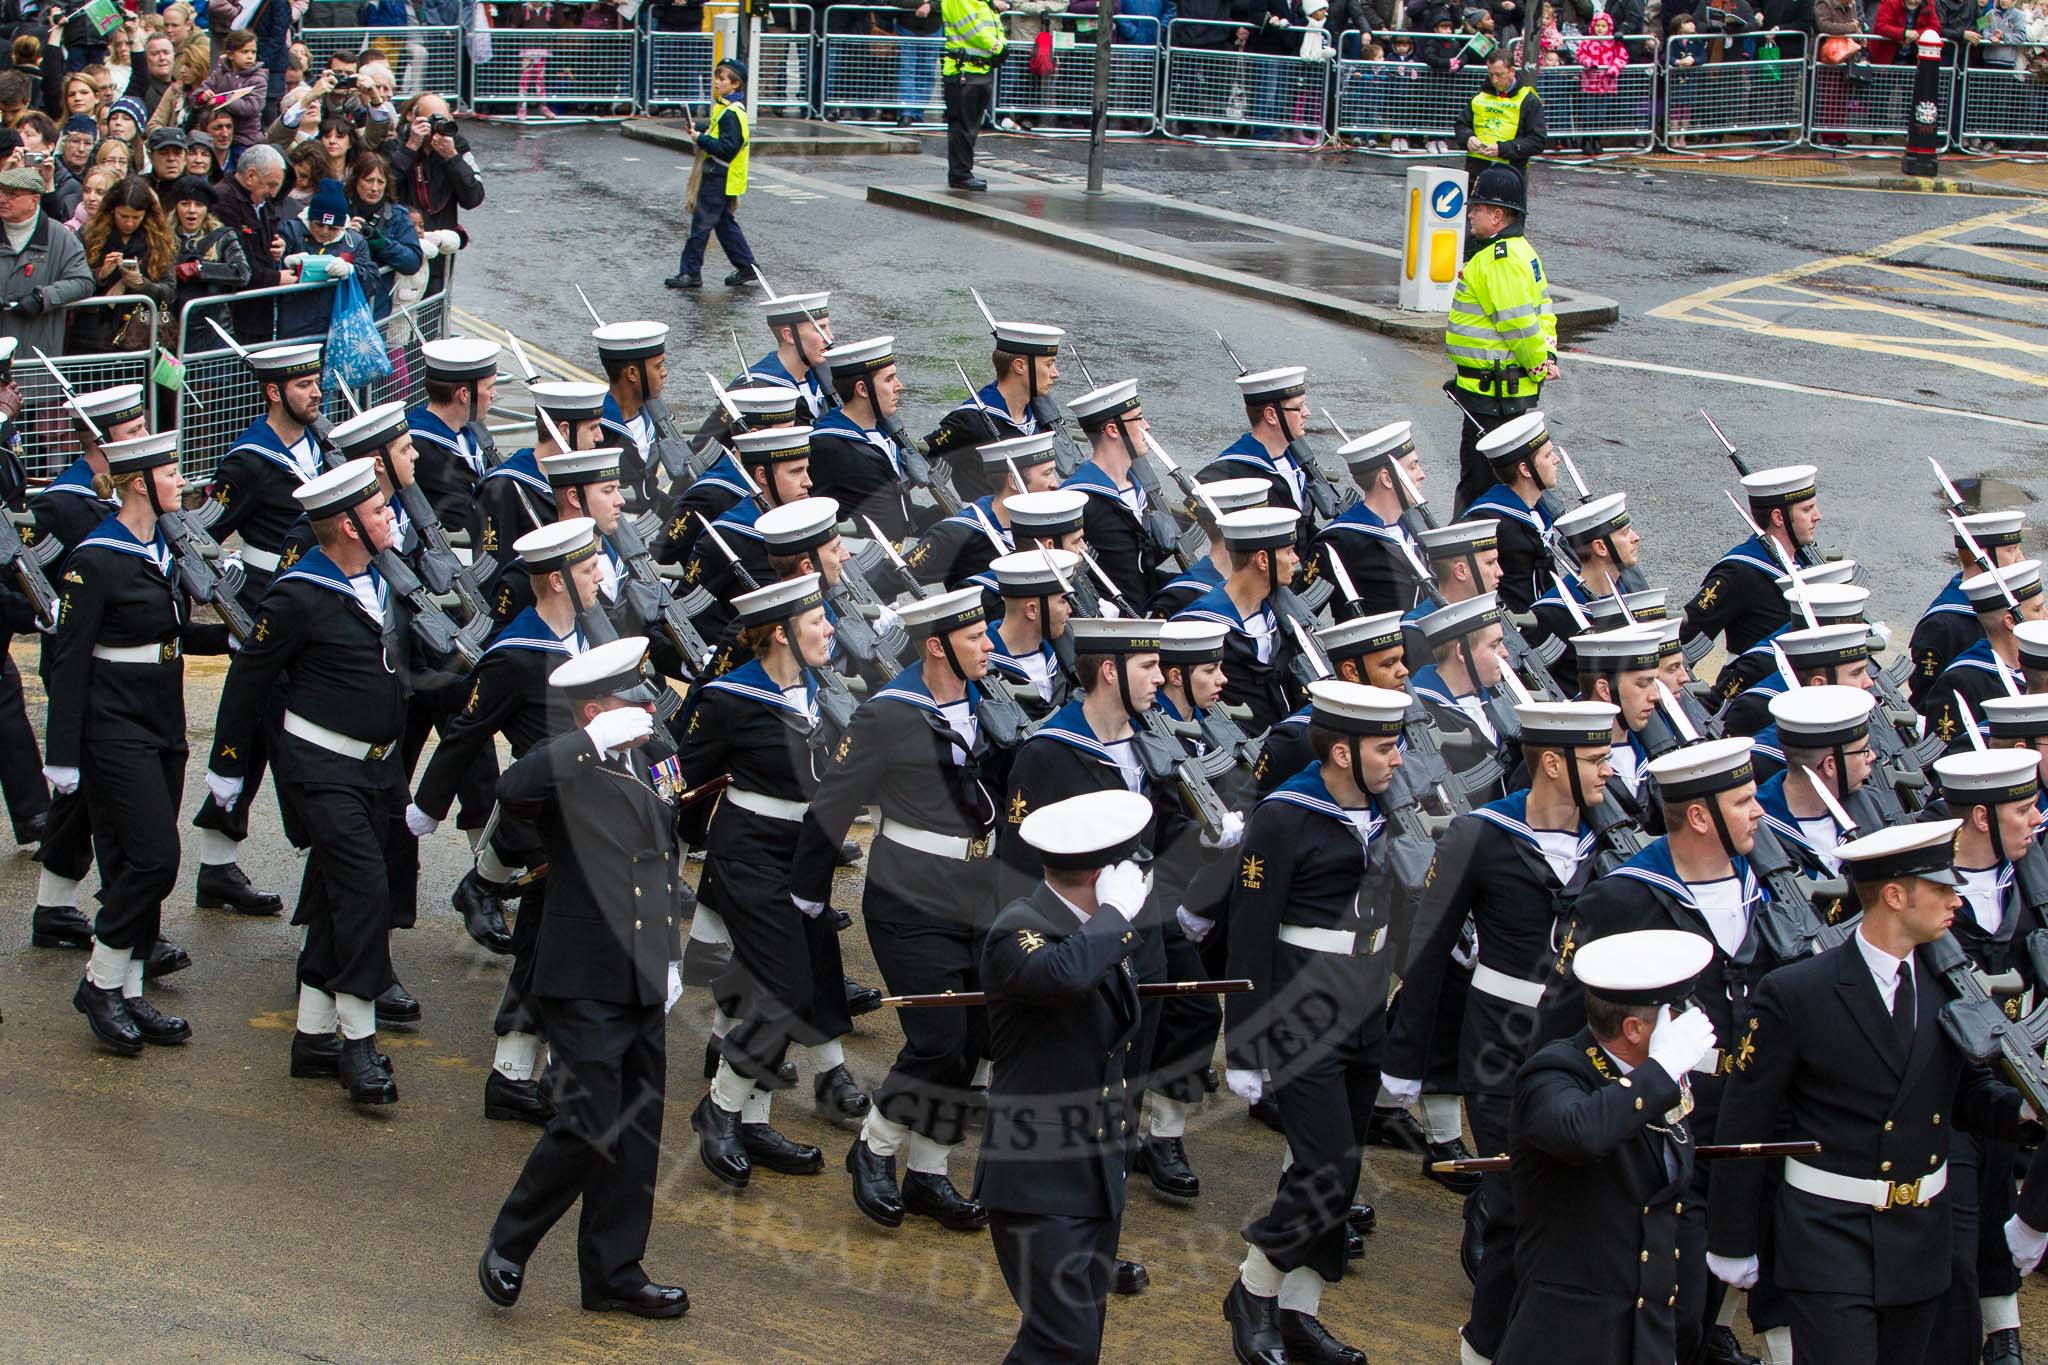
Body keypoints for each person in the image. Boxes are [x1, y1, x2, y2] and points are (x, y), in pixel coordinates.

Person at [1707, 820, 2030, 1365]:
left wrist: (2023, 1110)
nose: (1957, 899)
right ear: (1895, 895)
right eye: (1941, 888)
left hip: (1921, 1234)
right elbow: (1747, 1119)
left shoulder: (1948, 984)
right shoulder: (1797, 991)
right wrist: (1733, 1237)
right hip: (1829, 1233)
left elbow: (1965, 1092)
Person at [1383, 700, 1620, 1363]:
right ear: (1552, 763)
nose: (1608, 771)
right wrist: (1407, 1059)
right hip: (1499, 1045)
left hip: (1583, 1047)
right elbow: (1428, 953)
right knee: (1522, 1201)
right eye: (1596, 760)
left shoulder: (1617, 836)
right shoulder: (1479, 833)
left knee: (1563, 1206)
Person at [476, 636, 691, 1323]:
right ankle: (509, 1241)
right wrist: (590, 740)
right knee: (590, 1120)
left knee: (636, 1133)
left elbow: (665, 852)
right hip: (582, 972)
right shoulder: (569, 763)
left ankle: (614, 1272)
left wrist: (670, 955)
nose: (647, 709)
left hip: (641, 970)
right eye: (632, 701)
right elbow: (513, 788)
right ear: (595, 709)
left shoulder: (654, 757)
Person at [791, 584, 1004, 1234]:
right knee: (937, 1037)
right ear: (937, 645)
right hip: (909, 898)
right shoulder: (888, 713)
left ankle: (930, 1174)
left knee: (972, 1038)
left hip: (979, 893)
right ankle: (874, 1148)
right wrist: (807, 897)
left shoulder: (987, 699)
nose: (989, 645)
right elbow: (833, 804)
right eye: (975, 637)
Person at [206, 458, 414, 1106]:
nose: (391, 517)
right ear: (349, 526)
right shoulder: (298, 593)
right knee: (364, 891)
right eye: (380, 511)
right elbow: (249, 681)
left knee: (334, 894)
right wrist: (227, 765)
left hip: (378, 767)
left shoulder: (385, 578)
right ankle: (358, 1042)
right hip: (320, 768)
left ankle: (313, 1036)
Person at [1221, 679, 1407, 1365]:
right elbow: (1250, 934)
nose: (1398, 760)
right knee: (1325, 1164)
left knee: (1340, 1167)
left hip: (1364, 1004)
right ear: (1339, 750)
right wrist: (1244, 1043)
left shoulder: (1391, 809)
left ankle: (1300, 1313)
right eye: (1386, 747)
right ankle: (1254, 1290)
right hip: (1299, 1009)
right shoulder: (1284, 817)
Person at [681, 570, 872, 1190]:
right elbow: (680, 775)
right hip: (750, 853)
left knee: (802, 980)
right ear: (784, 634)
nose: (830, 629)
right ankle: (722, 1108)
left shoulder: (823, 689)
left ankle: (755, 1122)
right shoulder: (730, 698)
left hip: (806, 854)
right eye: (818, 621)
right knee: (783, 990)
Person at [408, 518, 601, 1122]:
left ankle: (520, 1074)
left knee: (550, 948)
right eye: (589, 567)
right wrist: (426, 808)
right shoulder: (516, 655)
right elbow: (467, 729)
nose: (600, 574)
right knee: (546, 948)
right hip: (546, 823)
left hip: (593, 822)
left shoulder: (591, 632)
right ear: (556, 581)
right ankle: (518, 1077)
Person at [45, 429, 228, 1056]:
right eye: (172, 473)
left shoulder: (164, 548)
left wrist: (228, 639)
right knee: (154, 858)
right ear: (136, 485)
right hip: (111, 726)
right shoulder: (95, 558)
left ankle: (127, 987)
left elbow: (167, 635)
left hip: (161, 721)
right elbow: (66, 660)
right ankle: (100, 983)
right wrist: (62, 755)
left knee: (130, 860)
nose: (183, 482)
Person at [979, 788, 1156, 1363]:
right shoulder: (1019, 929)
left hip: (1094, 1173)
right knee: (1063, 1346)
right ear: (1104, 875)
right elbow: (1063, 975)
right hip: (1036, 1178)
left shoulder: (1096, 934)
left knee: (1073, 1344)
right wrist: (1113, 916)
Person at [1497, 928, 1719, 1365]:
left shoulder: (1660, 1083)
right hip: (1569, 1338)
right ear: (1635, 1028)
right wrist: (1661, 1068)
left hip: (1648, 1335)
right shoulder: (1555, 1073)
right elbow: (1582, 1133)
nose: (1690, 1020)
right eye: (1677, 1011)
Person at [1445, 166, 1556, 513]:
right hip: (1498, 393)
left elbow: (1519, 325)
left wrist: (1538, 366)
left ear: (1497, 215)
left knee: (1479, 491)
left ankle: (1463, 560)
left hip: (1491, 396)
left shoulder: (1498, 261)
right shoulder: (1522, 251)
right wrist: (1549, 356)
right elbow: (1544, 313)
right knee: (1510, 485)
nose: (1471, 215)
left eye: (1476, 208)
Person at [1172, 507, 1303, 733]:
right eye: (1289, 551)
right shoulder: (1198, 625)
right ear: (1263, 560)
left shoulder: (1282, 611)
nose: (1296, 559)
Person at [1682, 464, 1825, 659]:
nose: (1817, 516)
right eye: (1807, 509)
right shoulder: (1739, 572)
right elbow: (1686, 635)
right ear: (1778, 517)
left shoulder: (1806, 560)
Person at [806, 334, 930, 540]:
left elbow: (895, 509)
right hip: (865, 559)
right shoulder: (827, 444)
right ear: (862, 389)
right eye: (889, 379)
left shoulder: (884, 436)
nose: (899, 386)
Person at [1062, 378, 1170, 608]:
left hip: (1146, 606)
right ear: (1112, 430)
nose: (1147, 425)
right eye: (1138, 418)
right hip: (1115, 624)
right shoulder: (1078, 500)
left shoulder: (1139, 487)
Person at [1908, 510, 2027, 707]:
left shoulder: (2007, 605)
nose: (2020, 559)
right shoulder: (1942, 625)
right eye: (2011, 550)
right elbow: (1927, 701)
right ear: (1985, 557)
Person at [1312, 420, 1429, 619]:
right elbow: (1302, 611)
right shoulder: (1339, 541)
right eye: (1413, 467)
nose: (1422, 475)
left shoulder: (1417, 523)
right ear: (1387, 478)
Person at [665, 57, 758, 291]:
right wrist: (703, 132)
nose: (717, 82)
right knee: (724, 224)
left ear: (735, 84)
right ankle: (747, 267)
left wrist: (701, 139)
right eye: (717, 77)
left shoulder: (731, 113)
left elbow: (727, 149)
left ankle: (690, 272)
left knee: (701, 224)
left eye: (722, 78)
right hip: (721, 174)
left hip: (719, 174)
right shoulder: (725, 108)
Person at [407, 336, 500, 550]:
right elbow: (466, 513)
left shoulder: (474, 428)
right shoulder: (421, 448)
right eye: (489, 387)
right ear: (464, 395)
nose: (494, 395)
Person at [1464, 410, 1560, 616]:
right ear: (1526, 470)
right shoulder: (1487, 521)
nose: (1556, 460)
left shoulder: (1538, 512)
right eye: (1548, 455)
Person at [388, 94, 480, 298]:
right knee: (400, 311)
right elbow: (384, 188)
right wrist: (411, 148)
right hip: (402, 244)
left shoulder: (456, 145)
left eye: (444, 120)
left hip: (440, 244)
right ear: (413, 118)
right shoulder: (397, 143)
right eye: (432, 120)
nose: (438, 127)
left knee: (433, 311)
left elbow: (474, 197)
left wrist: (452, 158)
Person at [70, 174, 173, 354]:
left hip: (141, 337)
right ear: (112, 209)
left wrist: (142, 285)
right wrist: (100, 274)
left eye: (136, 217)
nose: (129, 223)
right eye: (123, 216)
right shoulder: (89, 235)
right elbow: (72, 280)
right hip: (92, 335)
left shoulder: (159, 241)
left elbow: (170, 291)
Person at [0, 163, 93, 356]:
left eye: (12, 195)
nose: (2, 199)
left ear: (35, 200)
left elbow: (83, 282)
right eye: (1, 192)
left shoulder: (60, 236)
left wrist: (44, 297)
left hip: (38, 346)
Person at [213, 142, 288, 341]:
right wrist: (277, 278)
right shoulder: (223, 200)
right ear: (251, 176)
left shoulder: (263, 201)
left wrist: (279, 248)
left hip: (259, 312)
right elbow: (239, 261)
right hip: (234, 315)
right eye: (270, 185)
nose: (273, 193)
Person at [343, 151, 421, 318]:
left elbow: (413, 261)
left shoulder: (398, 215)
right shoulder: (342, 209)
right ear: (356, 181)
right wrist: (344, 233)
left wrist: (383, 245)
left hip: (377, 306)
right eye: (369, 180)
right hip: (341, 300)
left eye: (380, 182)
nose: (374, 188)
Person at [166, 174, 249, 329]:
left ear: (206, 209)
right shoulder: (163, 237)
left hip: (214, 326)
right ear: (176, 207)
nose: (192, 210)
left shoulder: (223, 236)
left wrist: (200, 269)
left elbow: (243, 273)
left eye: (198, 204)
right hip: (174, 325)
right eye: (185, 204)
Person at [940, 0, 1006, 189]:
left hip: (978, 69)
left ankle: (963, 172)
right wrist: (999, 48)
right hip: (964, 70)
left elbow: (994, 25)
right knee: (962, 125)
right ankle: (960, 174)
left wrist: (1000, 45)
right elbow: (972, 28)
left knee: (970, 126)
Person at [1457, 49, 1546, 187]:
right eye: (1490, 74)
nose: (1494, 80)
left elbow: (1537, 141)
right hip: (1476, 171)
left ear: (1512, 71)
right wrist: (1468, 138)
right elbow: (1461, 125)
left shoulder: (1529, 100)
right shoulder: (1480, 95)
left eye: (1499, 75)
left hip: (1510, 173)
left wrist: (1502, 149)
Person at [741, 288, 833, 420]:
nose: (830, 337)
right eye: (820, 329)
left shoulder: (826, 374)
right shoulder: (754, 388)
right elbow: (709, 440)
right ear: (790, 336)